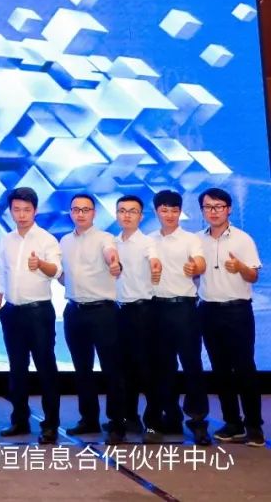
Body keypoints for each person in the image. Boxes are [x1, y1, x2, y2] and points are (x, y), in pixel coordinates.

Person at [0, 187, 62, 445]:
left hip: (38, 312)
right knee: (17, 368)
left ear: (35, 210)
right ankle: (19, 420)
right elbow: (0, 273)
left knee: (46, 368)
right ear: (10, 211)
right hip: (12, 311)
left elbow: (56, 270)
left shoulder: (46, 239)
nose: (21, 215)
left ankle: (50, 425)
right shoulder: (6, 240)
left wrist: (40, 264)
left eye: (26, 210)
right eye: (16, 210)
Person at [197, 187, 264, 446]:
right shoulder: (197, 240)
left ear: (229, 209)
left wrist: (240, 267)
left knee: (245, 368)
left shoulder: (242, 239)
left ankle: (254, 426)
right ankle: (232, 423)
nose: (213, 211)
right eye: (208, 207)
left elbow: (253, 276)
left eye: (219, 206)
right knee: (220, 370)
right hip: (208, 310)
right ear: (202, 210)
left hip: (237, 310)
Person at [60, 193, 125, 444]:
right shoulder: (65, 241)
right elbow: (63, 274)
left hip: (102, 312)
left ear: (94, 213)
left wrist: (114, 263)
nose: (80, 214)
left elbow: (111, 255)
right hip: (74, 310)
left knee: (112, 369)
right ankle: (89, 419)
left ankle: (117, 423)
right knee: (82, 369)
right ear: (70, 213)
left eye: (85, 209)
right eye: (76, 209)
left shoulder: (105, 238)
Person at [147, 189, 210, 445]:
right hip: (156, 309)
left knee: (192, 364)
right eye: (164, 210)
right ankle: (169, 417)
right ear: (156, 212)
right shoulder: (149, 240)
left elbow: (200, 262)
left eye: (174, 210)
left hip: (184, 308)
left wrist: (195, 267)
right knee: (162, 367)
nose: (170, 215)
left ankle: (198, 421)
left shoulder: (190, 239)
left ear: (180, 212)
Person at [113, 195, 160, 442]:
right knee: (122, 370)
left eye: (132, 211)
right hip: (118, 312)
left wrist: (156, 266)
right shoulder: (112, 243)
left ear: (141, 216)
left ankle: (153, 426)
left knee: (147, 371)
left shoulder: (148, 242)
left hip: (143, 311)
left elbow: (154, 260)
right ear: (116, 215)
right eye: (122, 211)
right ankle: (127, 419)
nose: (127, 215)